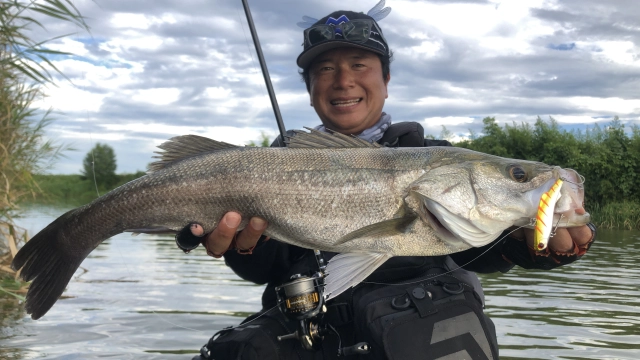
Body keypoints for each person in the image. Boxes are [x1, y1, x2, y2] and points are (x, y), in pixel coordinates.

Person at [184, 8, 596, 360]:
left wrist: (542, 242)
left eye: (359, 65)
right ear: (310, 90)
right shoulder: (276, 161)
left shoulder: (437, 155)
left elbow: (492, 245)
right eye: (324, 69)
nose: (343, 80)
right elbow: (264, 268)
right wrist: (243, 248)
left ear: (386, 78)